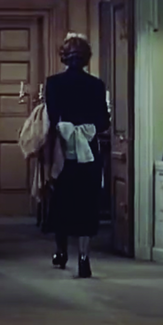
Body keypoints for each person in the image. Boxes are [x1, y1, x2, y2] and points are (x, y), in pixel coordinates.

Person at [45, 33, 111, 278]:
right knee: (87, 205)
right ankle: (84, 258)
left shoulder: (53, 83)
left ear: (64, 57)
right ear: (86, 58)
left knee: (61, 203)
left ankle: (61, 252)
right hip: (89, 153)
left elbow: (51, 118)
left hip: (63, 151)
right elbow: (104, 122)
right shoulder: (96, 85)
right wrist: (89, 128)